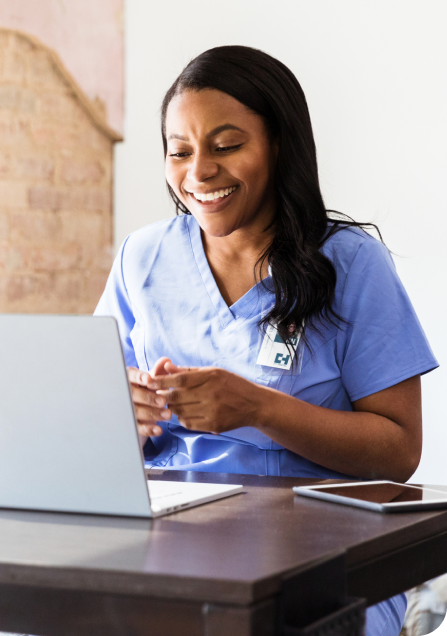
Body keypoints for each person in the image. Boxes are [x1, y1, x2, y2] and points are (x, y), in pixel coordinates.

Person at [95, 45, 438, 636]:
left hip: (323, 554)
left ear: (278, 145)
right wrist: (126, 412)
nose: (198, 172)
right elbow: (93, 420)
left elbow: (400, 451)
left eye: (226, 146)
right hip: (170, 540)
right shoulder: (142, 257)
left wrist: (258, 408)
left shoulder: (351, 265)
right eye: (180, 151)